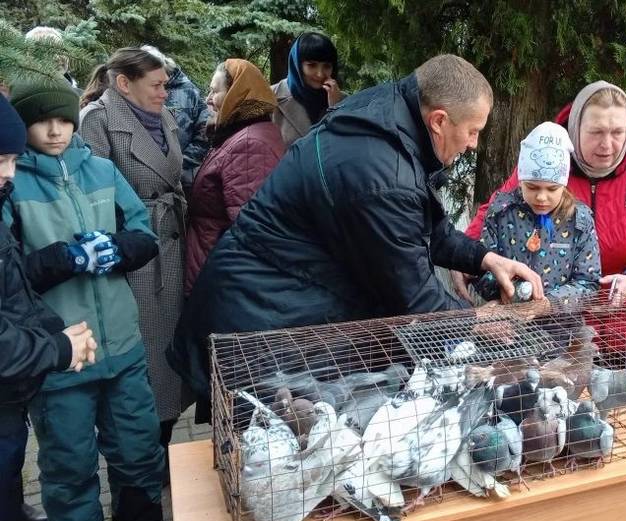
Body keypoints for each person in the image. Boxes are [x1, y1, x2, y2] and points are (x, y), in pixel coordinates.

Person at [168, 54, 542, 420]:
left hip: (276, 306)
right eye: (473, 131)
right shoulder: (384, 174)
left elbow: (423, 224)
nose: (474, 144)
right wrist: (479, 319)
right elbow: (416, 297)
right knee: (270, 453)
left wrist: (484, 258)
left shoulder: (394, 114)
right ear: (439, 120)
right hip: (257, 325)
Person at [6, 78, 172, 521]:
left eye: (63, 120)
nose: (55, 132)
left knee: (140, 453)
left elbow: (142, 231)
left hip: (122, 345)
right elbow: (10, 276)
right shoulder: (12, 183)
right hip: (61, 359)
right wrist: (62, 258)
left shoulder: (101, 170)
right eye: (41, 122)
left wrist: (116, 249)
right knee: (68, 467)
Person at [460, 80, 626, 362]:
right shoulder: (546, 158)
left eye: (618, 132)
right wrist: (467, 254)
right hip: (560, 327)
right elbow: (497, 207)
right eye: (596, 132)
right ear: (576, 127)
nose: (608, 144)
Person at [79, 47, 192, 458]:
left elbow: (173, 174)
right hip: (136, 257)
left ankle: (158, 449)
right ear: (124, 83)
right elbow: (92, 195)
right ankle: (140, 456)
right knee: (144, 361)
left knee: (166, 359)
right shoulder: (99, 118)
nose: (166, 92)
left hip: (170, 246)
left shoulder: (163, 115)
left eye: (166, 84)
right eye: (157, 85)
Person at [0, 93, 97, 521]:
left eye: (12, 160)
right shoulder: (12, 196)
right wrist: (57, 349)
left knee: (9, 463)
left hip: (12, 388)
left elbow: (13, 287)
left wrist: (59, 332)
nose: (7, 173)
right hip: (18, 369)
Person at [185, 59, 284, 295]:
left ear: (236, 94)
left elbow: (249, 226)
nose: (208, 98)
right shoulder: (238, 135)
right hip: (213, 265)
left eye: (215, 91)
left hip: (221, 277)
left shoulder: (249, 144)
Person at [474, 121, 600, 303]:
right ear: (520, 181)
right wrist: (502, 291)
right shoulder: (500, 212)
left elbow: (588, 283)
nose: (541, 197)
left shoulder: (579, 220)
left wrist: (550, 304)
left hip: (561, 327)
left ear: (563, 186)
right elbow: (481, 267)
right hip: (508, 319)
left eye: (551, 189)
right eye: (532, 187)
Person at [141, 45, 212, 191]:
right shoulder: (138, 91)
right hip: (144, 178)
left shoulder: (189, 92)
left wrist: (179, 165)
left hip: (182, 180)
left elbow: (205, 133)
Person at [271, 32, 344, 145]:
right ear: (297, 64)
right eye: (312, 65)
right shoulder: (270, 96)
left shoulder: (345, 101)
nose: (320, 74)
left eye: (327, 66)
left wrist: (337, 109)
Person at [24, 27, 81, 93]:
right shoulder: (22, 96)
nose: (57, 57)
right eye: (49, 52)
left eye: (61, 50)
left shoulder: (83, 97)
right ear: (30, 56)